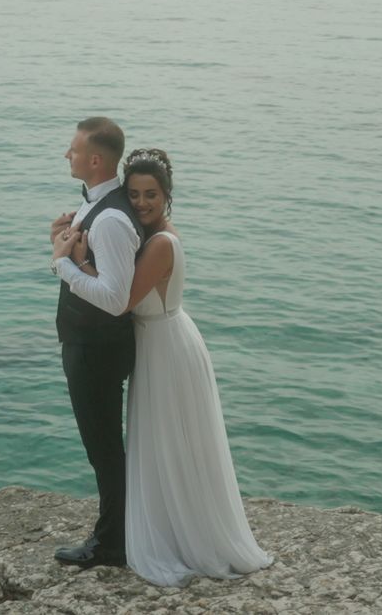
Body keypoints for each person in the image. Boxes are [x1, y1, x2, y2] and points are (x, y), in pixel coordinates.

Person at [54, 147, 273, 587]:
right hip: (160, 341)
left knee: (172, 440)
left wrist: (69, 260)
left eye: (151, 194)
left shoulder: (159, 244)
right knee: (165, 441)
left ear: (167, 195)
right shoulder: (146, 234)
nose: (141, 203)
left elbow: (122, 302)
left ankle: (173, 537)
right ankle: (167, 524)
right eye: (133, 194)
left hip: (166, 346)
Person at [47, 117, 144, 569]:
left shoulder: (109, 221)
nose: (67, 154)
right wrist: (62, 242)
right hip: (89, 346)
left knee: (103, 449)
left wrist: (60, 264)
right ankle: (117, 534)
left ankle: (111, 544)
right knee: (102, 447)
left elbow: (114, 299)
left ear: (96, 159)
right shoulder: (94, 209)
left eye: (73, 149)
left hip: (97, 351)